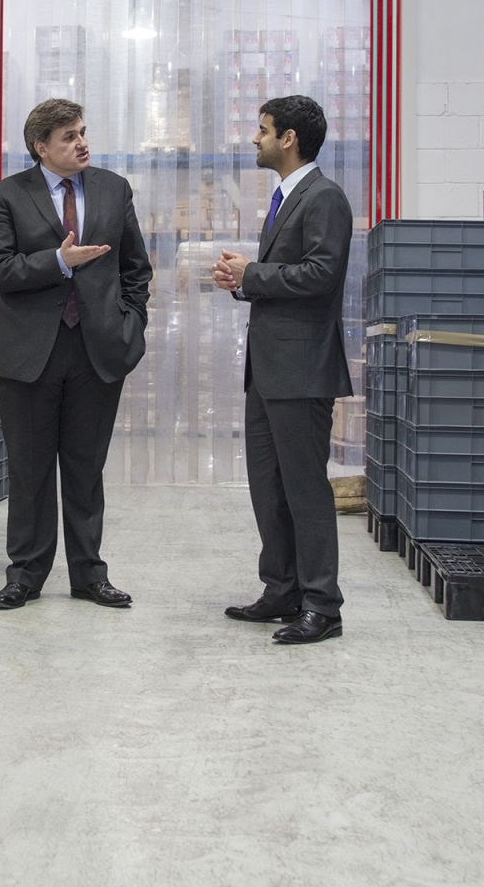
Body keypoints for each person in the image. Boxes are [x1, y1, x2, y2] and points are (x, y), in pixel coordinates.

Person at [0, 98, 152, 610]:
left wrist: (131, 323)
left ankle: (89, 576)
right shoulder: (8, 195)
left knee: (85, 468)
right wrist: (57, 261)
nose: (82, 143)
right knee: (29, 470)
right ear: (41, 147)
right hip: (29, 352)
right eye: (68, 137)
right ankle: (26, 575)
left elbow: (135, 269)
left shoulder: (112, 189)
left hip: (96, 349)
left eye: (82, 132)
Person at [212, 95, 353, 644]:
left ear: (289, 138)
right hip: (269, 369)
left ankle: (323, 604)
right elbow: (287, 276)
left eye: (264, 130)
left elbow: (320, 274)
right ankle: (282, 590)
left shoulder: (324, 199)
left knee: (305, 490)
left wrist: (256, 274)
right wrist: (243, 281)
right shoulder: (285, 198)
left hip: (301, 370)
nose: (256, 138)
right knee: (268, 488)